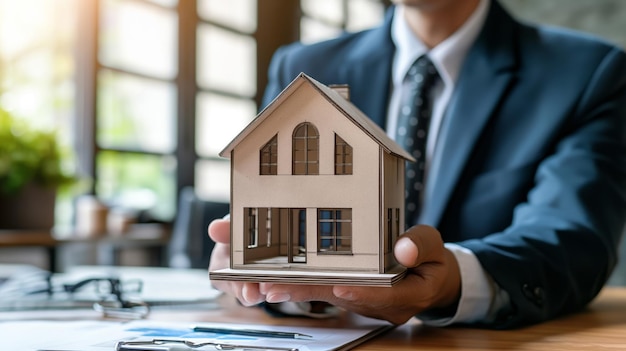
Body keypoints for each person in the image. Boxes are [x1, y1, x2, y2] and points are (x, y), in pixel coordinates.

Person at [209, 0, 626, 329]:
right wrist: (271, 284)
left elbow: (572, 237)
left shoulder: (585, 73)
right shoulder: (304, 67)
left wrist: (455, 282)